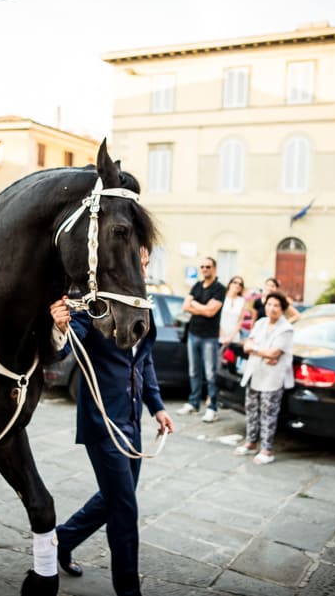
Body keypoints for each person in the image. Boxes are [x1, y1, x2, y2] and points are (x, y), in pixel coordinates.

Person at [49, 247, 174, 596]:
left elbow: (142, 361)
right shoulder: (92, 301)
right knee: (124, 508)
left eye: (147, 264)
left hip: (132, 420)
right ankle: (128, 590)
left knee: (115, 497)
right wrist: (60, 326)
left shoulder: (141, 301)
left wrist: (157, 407)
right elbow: (63, 349)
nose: (144, 271)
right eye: (139, 263)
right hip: (102, 422)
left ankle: (62, 538)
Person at [234, 291, 295, 464]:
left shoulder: (286, 329)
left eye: (276, 305)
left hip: (273, 377)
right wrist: (262, 352)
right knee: (251, 408)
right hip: (256, 371)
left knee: (268, 413)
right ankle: (250, 442)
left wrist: (257, 349)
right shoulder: (260, 323)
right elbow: (248, 346)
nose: (272, 308)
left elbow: (274, 352)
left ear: (282, 309)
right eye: (269, 304)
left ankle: (267, 450)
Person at [177, 257, 226, 422]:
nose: (205, 269)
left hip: (210, 337)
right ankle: (194, 403)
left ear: (214, 269)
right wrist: (202, 307)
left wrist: (195, 305)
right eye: (203, 266)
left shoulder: (219, 289)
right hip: (193, 333)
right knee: (194, 371)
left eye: (208, 266)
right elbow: (185, 306)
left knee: (211, 374)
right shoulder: (197, 285)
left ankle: (212, 407)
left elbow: (211, 312)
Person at [219, 275, 246, 347]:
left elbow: (240, 321)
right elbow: (216, 317)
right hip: (219, 335)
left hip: (234, 338)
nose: (237, 285)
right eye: (235, 282)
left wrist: (230, 337)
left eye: (240, 284)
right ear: (230, 284)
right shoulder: (221, 297)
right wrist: (222, 336)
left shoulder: (242, 301)